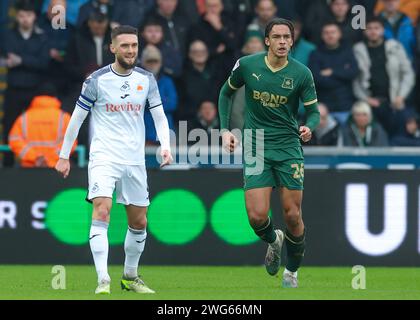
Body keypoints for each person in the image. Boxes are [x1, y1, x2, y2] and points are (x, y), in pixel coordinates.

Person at [55, 25, 173, 295]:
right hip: (104, 155)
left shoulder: (147, 79)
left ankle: (130, 276)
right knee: (103, 209)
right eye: (125, 46)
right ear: (113, 48)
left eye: (134, 45)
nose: (131, 50)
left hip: (134, 159)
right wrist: (64, 155)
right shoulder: (96, 80)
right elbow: (77, 118)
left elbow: (158, 116)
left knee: (139, 221)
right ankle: (103, 279)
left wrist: (165, 145)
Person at [218, 18, 320, 288]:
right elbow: (225, 93)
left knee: (292, 215)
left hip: (288, 146)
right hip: (255, 144)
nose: (283, 42)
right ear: (267, 41)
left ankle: (292, 272)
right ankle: (274, 240)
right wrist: (225, 130)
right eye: (277, 37)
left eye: (287, 37)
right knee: (256, 217)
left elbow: (313, 112)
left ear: (292, 41)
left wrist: (309, 127)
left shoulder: (301, 73)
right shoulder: (248, 65)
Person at [353, 16, 415, 137]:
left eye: (376, 28)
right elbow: (355, 80)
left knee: (399, 137)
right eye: (369, 28)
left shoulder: (395, 47)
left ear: (383, 30)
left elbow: (408, 73)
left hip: (394, 102)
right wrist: (365, 98)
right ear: (365, 31)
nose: (373, 31)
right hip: (369, 103)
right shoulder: (358, 50)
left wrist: (401, 96)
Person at [8, 90, 76, 168]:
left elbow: (14, 140)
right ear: (55, 98)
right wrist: (50, 158)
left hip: (29, 169)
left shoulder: (24, 117)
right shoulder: (64, 117)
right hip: (56, 168)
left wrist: (35, 157)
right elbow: (71, 142)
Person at [308, 22, 359, 124]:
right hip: (324, 107)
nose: (330, 35)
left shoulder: (347, 51)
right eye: (326, 33)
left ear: (339, 34)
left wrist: (332, 72)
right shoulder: (315, 54)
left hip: (346, 105)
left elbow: (353, 72)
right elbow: (315, 79)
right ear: (322, 36)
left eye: (333, 32)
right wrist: (342, 75)